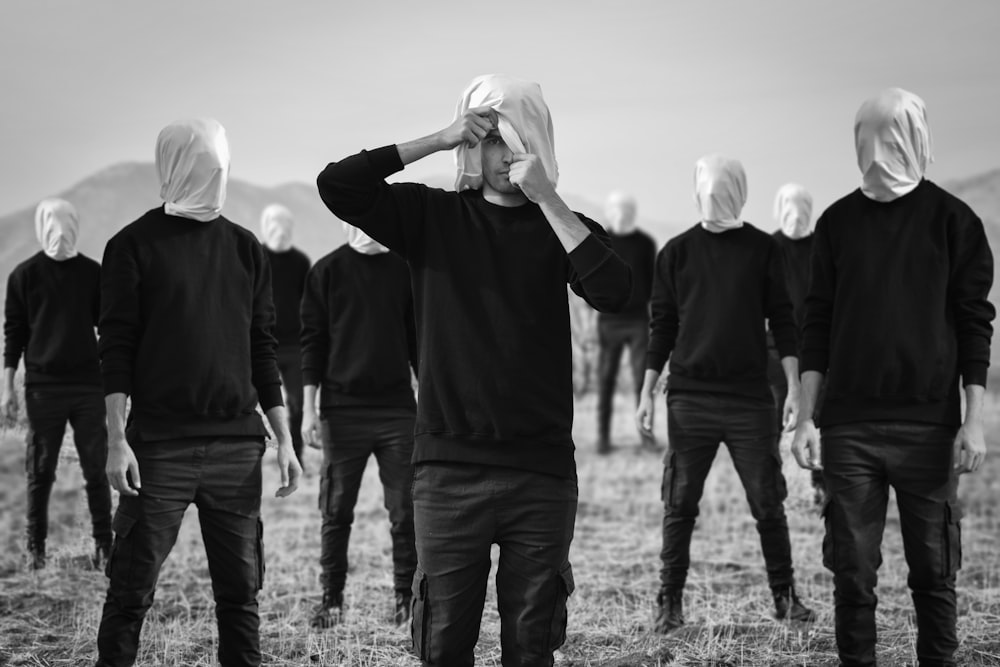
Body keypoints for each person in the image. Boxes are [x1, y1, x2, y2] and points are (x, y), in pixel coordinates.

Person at [316, 74, 631, 666]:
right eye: (485, 140)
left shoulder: (563, 226)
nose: (500, 156)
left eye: (511, 139)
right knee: (441, 646)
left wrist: (550, 200)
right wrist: (437, 139)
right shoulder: (431, 217)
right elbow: (337, 185)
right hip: (447, 475)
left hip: (541, 476)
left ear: (536, 143)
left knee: (531, 650)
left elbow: (616, 291)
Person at [792, 88, 994, 667]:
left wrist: (972, 423)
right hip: (848, 431)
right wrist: (806, 419)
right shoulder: (835, 224)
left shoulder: (954, 222)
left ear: (916, 138)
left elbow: (975, 325)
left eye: (889, 133)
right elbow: (816, 328)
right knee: (853, 578)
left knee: (934, 575)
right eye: (868, 134)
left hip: (929, 431)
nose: (878, 148)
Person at [94, 118, 302, 667]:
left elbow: (263, 350)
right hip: (158, 450)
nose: (216, 174)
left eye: (221, 164)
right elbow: (114, 350)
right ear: (177, 166)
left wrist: (285, 440)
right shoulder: (131, 247)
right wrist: (116, 440)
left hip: (237, 451)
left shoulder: (246, 249)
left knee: (240, 598)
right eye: (206, 164)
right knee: (130, 594)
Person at [637, 155, 815, 634]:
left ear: (739, 190)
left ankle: (785, 598)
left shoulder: (762, 249)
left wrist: (794, 387)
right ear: (697, 189)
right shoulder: (676, 252)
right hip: (689, 400)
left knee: (768, 505)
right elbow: (662, 327)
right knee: (679, 505)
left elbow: (783, 320)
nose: (714, 195)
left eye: (723, 187)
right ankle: (668, 603)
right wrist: (647, 390)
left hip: (750, 400)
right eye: (707, 187)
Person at [300, 221, 418, 630]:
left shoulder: (404, 269)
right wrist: (308, 411)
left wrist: (434, 403)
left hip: (397, 412)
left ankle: (408, 601)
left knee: (406, 513)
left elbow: (418, 342)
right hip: (341, 411)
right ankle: (331, 602)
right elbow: (312, 343)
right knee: (336, 512)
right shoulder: (327, 271)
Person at [2, 198, 112, 570]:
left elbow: (109, 327)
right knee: (41, 470)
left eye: (66, 221)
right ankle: (35, 551)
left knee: (96, 468)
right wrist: (7, 391)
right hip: (43, 389)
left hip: (87, 387)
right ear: (41, 224)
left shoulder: (92, 274)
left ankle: (104, 546)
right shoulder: (24, 276)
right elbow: (13, 337)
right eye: (53, 221)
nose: (60, 229)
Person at [767, 184, 826, 504]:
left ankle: (820, 483)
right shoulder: (769, 247)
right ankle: (774, 485)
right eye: (789, 203)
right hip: (777, 348)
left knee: (818, 417)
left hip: (818, 346)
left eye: (802, 203)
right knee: (774, 417)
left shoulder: (823, 247)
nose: (796, 209)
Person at [595, 191, 658, 454]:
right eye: (617, 208)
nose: (622, 212)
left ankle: (645, 437)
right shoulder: (601, 240)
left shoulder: (645, 243)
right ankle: (602, 439)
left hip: (637, 320)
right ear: (610, 211)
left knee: (642, 382)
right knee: (605, 381)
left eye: (626, 208)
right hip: (609, 321)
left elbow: (653, 283)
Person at [259, 203, 311, 466]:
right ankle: (254, 451)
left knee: (297, 405)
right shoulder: (255, 257)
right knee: (250, 401)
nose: (280, 230)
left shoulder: (300, 262)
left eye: (285, 224)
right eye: (275, 224)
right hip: (260, 345)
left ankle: (295, 454)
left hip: (293, 345)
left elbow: (308, 301)